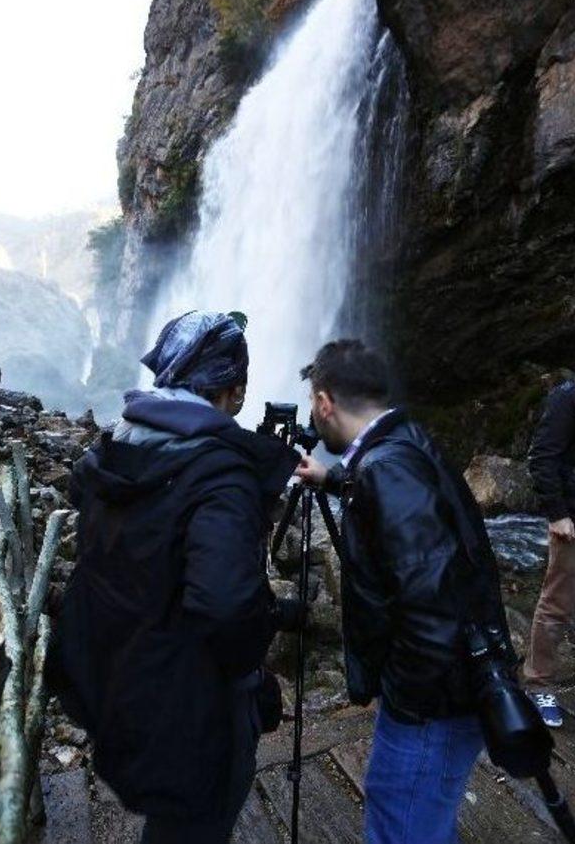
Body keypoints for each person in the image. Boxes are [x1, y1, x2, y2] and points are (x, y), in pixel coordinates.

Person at [46, 311, 301, 844]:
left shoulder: (116, 445)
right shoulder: (219, 475)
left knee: (174, 820)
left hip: (124, 669)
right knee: (198, 819)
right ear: (235, 388)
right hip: (192, 698)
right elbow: (225, 608)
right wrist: (270, 620)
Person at [296, 339, 516, 844]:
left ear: (325, 402)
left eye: (313, 403)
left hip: (432, 703)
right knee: (420, 816)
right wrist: (332, 480)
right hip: (458, 685)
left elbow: (432, 603)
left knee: (402, 820)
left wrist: (402, 700)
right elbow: (401, 509)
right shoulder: (402, 442)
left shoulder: (387, 469)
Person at [523, 378, 575, 728]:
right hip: (572, 519)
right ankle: (538, 683)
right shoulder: (568, 398)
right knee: (557, 603)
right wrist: (557, 513)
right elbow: (542, 456)